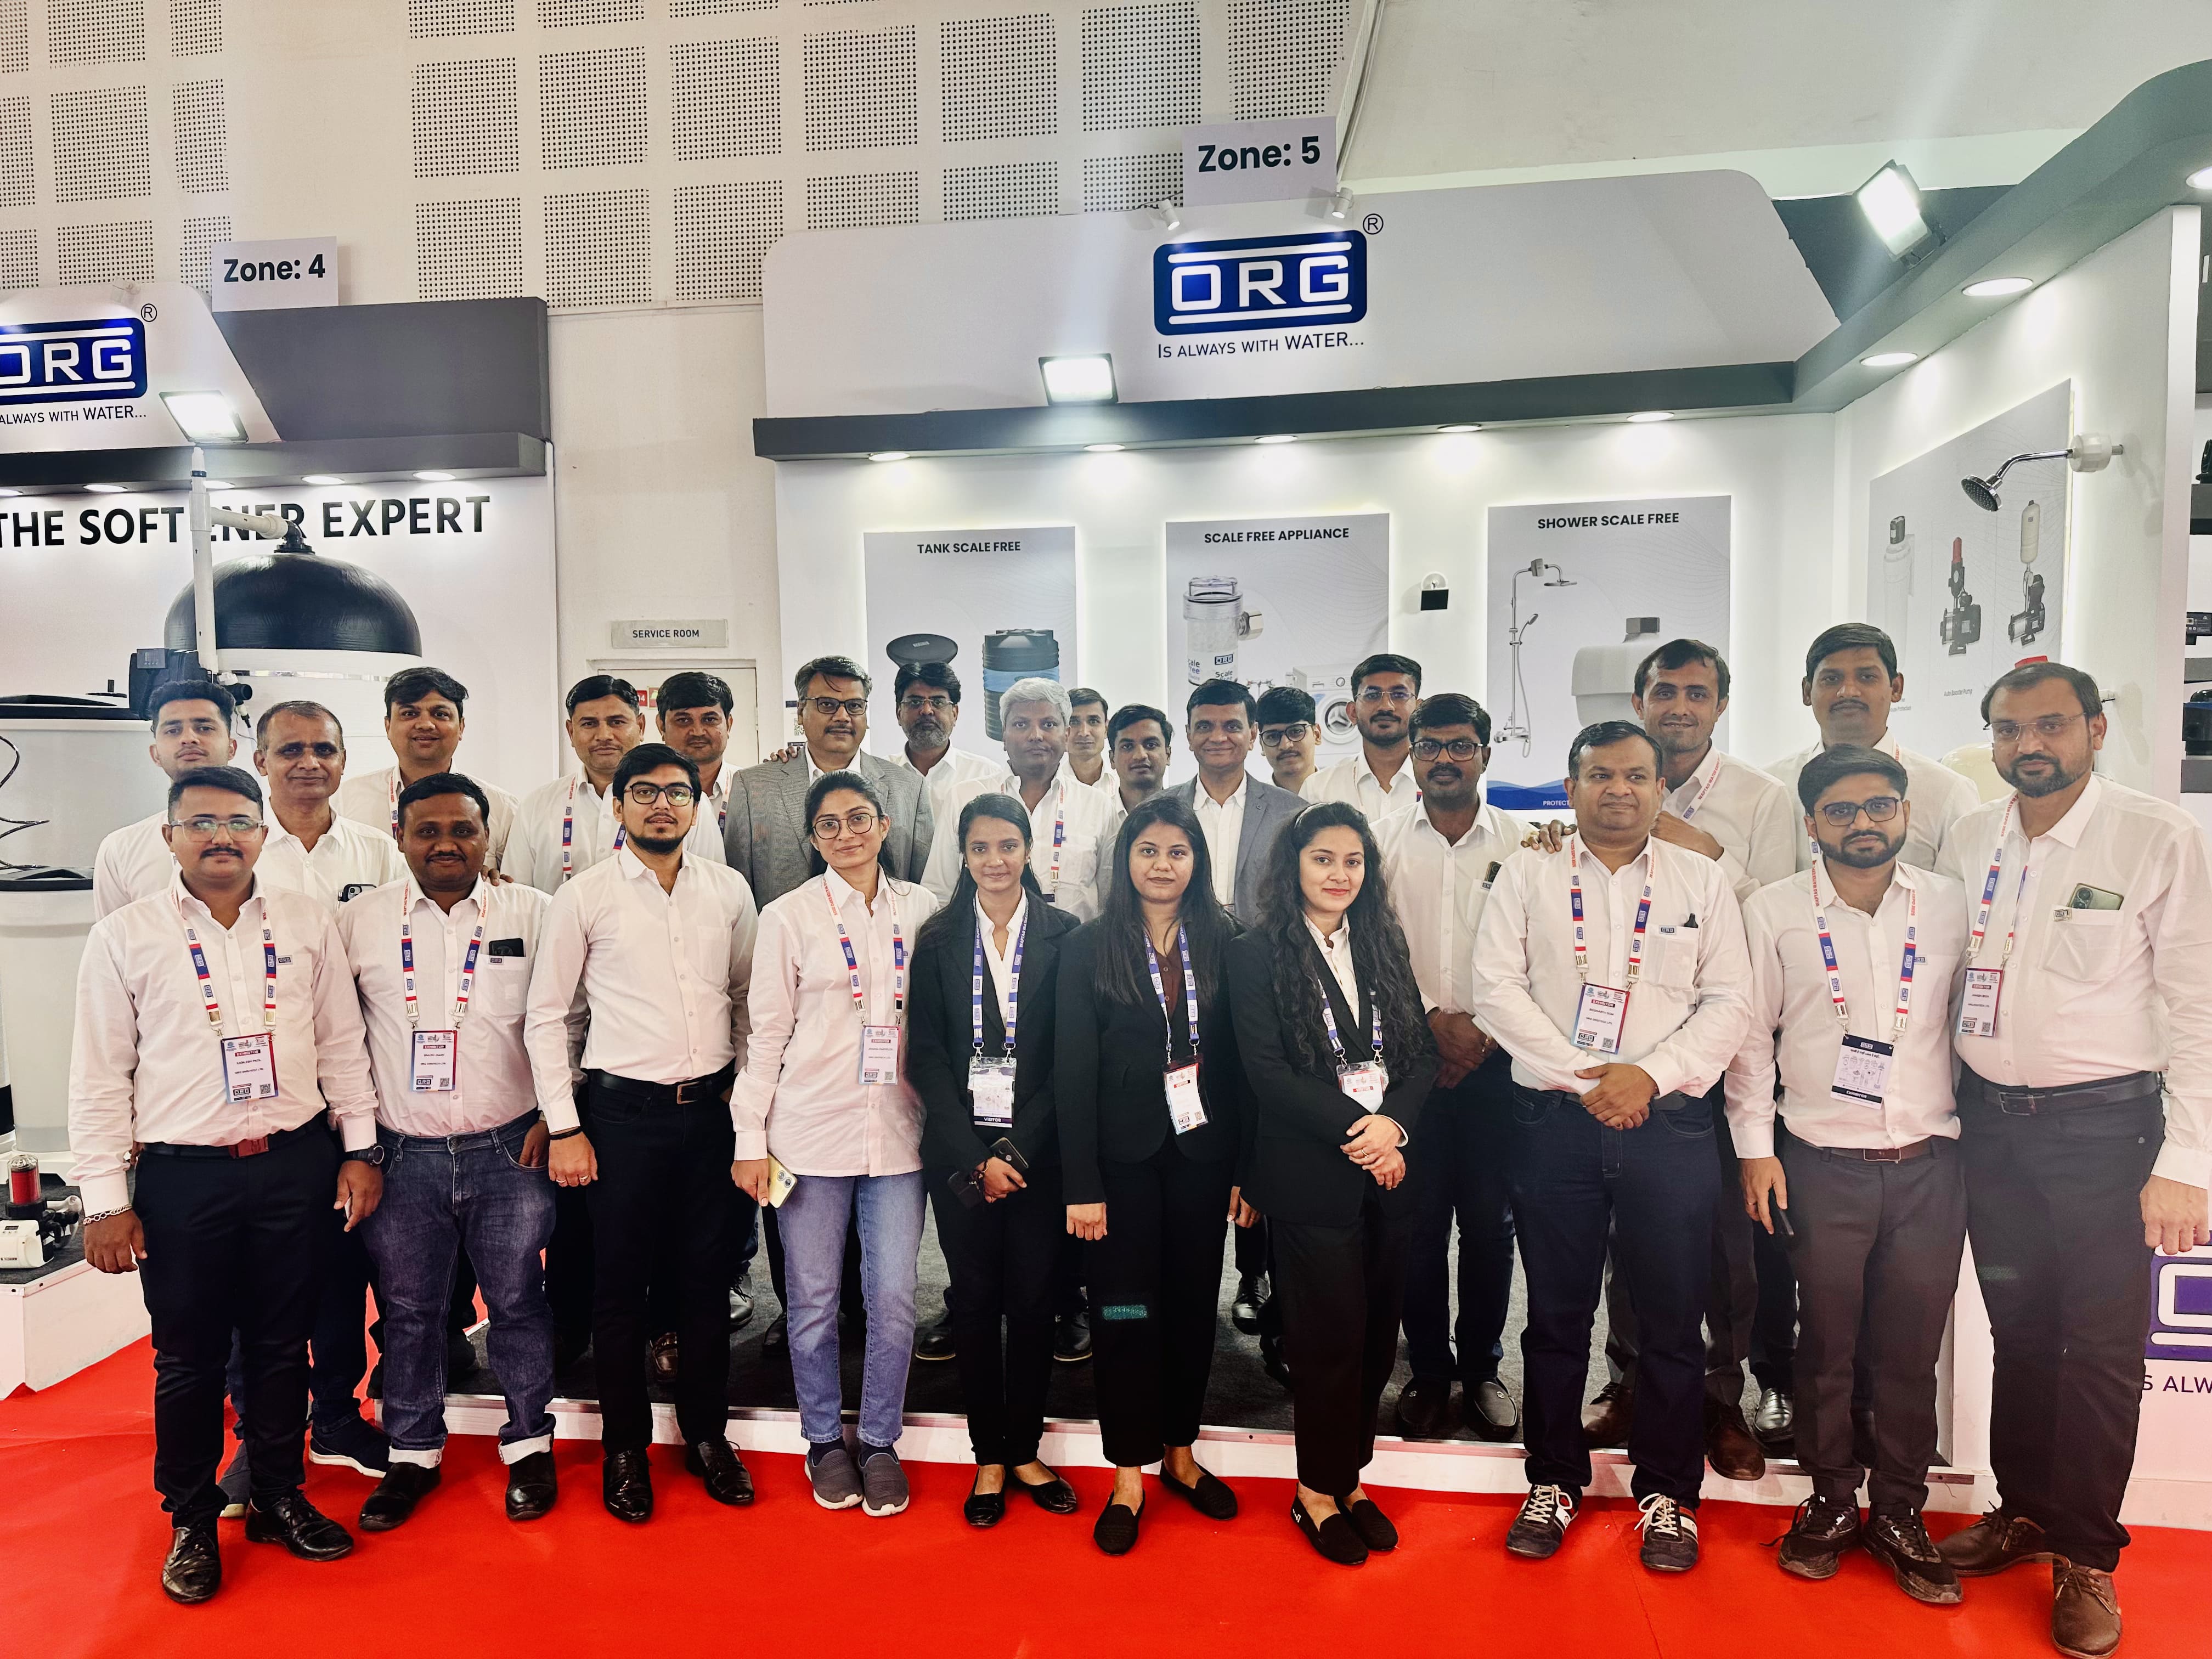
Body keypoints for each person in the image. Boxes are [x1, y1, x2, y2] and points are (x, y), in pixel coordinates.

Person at [1932, 662, 2212, 1659]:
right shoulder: (1973, 836)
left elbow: (2198, 1004)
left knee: (2099, 1350)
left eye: (2050, 725)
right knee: (2019, 1332)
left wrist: (2188, 1158)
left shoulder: (2154, 835)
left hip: (2105, 1132)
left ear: (2095, 729)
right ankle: (2025, 1510)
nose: (2029, 745)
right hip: (1991, 1129)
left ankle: (2087, 1556)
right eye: (2009, 729)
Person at [71, 765, 383, 1604]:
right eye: (201, 823)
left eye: (239, 823)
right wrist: (105, 1200)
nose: (222, 838)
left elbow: (342, 1044)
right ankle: (192, 1518)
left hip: (294, 1164)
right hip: (184, 1177)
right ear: (169, 836)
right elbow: (99, 1075)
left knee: (284, 1346)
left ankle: (280, 1494)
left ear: (262, 835)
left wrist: (361, 1150)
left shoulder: (305, 922)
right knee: (189, 1360)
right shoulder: (127, 936)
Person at [1470, 720, 1751, 1574]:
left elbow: (1730, 1001)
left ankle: (1667, 1493)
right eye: (1600, 775)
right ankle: (1553, 1479)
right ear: (1571, 788)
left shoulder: (1702, 880)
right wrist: (1588, 1079)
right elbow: (1495, 990)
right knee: (1556, 1318)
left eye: (1635, 776)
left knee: (1672, 1320)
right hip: (1555, 1122)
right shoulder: (1527, 873)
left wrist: (1649, 1078)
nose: (1618, 790)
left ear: (1662, 789)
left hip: (1669, 1124)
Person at [1727, 746, 1970, 1604]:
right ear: (1812, 824)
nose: (1862, 823)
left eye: (1879, 807)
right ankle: (1831, 1500)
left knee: (1909, 1351)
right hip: (1819, 1161)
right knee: (1826, 1346)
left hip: (1930, 1163)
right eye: (1840, 810)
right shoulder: (1772, 910)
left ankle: (1900, 1511)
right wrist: (1755, 1149)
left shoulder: (1951, 904)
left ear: (1905, 813)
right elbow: (1751, 1039)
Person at [525, 743, 760, 1523]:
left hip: (711, 1117)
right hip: (621, 1118)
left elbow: (747, 1002)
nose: (664, 804)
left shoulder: (728, 890)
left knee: (705, 1284)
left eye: (678, 792)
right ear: (619, 805)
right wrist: (566, 1126)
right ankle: (624, 1447)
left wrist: (748, 1107)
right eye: (646, 792)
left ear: (699, 805)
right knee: (619, 1290)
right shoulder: (584, 896)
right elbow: (548, 1018)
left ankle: (707, 1435)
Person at [1591, 636, 1796, 1478]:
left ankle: (1719, 1401)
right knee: (1626, 1238)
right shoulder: (1609, 786)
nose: (1680, 705)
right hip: (1623, 1063)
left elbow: (1777, 914)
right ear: (1640, 702)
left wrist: (1703, 851)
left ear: (1720, 704)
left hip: (1715, 1054)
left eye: (1697, 692)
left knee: (1721, 1250)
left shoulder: (1760, 798)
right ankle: (1630, 1384)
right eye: (1664, 691)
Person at [341, 773, 558, 1531]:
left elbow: (568, 1021)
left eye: (463, 829)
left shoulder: (535, 913)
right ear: (399, 837)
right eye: (427, 830)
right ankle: (412, 1453)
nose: (445, 844)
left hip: (512, 1150)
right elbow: (341, 1041)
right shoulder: (359, 922)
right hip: (402, 1155)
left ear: (486, 837)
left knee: (518, 1303)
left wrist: (557, 1117)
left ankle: (530, 1444)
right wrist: (359, 1145)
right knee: (409, 1311)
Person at [1227, 802, 1437, 1565]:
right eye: (1323, 859)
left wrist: (1394, 1127)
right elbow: (1268, 1075)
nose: (1339, 874)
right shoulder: (1255, 954)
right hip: (1312, 1174)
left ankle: (1350, 1478)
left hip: (1390, 1171)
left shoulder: (1381, 938)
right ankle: (1315, 1490)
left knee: (1378, 1338)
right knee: (1327, 1340)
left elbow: (1419, 1055)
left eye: (1353, 861)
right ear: (1294, 866)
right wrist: (1364, 1131)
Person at [732, 770, 940, 1519]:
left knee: (893, 1300)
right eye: (829, 824)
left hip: (899, 1137)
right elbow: (765, 1036)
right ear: (813, 839)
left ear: (884, 825)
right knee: (814, 1301)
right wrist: (749, 1137)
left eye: (859, 819)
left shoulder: (925, 908)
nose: (846, 833)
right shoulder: (787, 916)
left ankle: (879, 1442)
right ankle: (822, 1440)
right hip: (809, 1135)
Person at [1057, 795, 1250, 1556]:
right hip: (1120, 1168)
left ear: (1197, 861)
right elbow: (1073, 1071)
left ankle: (1180, 1452)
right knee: (1125, 1312)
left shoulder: (1228, 940)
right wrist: (1080, 1183)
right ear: (1125, 860)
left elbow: (1243, 1068)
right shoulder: (1089, 946)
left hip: (1203, 1159)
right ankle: (1129, 1471)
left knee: (1193, 1306)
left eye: (1177, 851)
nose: (1163, 865)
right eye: (1148, 851)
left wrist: (1245, 1169)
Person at [906, 794, 1084, 1526]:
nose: (995, 860)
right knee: (976, 1302)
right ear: (964, 854)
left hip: (1040, 1153)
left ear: (1029, 850)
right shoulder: (939, 937)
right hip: (960, 1156)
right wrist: (977, 1159)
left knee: (1036, 1304)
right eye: (980, 848)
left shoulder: (1067, 935)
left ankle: (1027, 1448)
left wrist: (1016, 1151)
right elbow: (926, 1055)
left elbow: (1072, 1058)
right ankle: (988, 1454)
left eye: (1008, 845)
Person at [1374, 692, 1526, 1443]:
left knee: (1492, 1229)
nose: (1443, 758)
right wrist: (1432, 1022)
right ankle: (1430, 1372)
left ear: (1485, 755)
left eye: (1460, 745)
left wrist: (1485, 1033)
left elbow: (1539, 950)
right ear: (1413, 755)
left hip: (1500, 1064)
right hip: (1412, 1063)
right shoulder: (1380, 843)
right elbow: (1372, 949)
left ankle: (1483, 1369)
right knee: (1419, 1226)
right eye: (1430, 745)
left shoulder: (1529, 844)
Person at [1764, 624, 1979, 873]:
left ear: (1896, 688)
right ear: (1807, 692)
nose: (1848, 691)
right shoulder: (1772, 788)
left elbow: (1962, 891)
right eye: (1831, 679)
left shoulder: (1948, 793)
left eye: (1867, 677)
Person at [725, 654, 934, 910]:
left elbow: (922, 887)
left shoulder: (909, 788)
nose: (843, 716)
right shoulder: (753, 787)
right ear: (801, 712)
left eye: (855, 706)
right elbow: (738, 895)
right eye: (827, 704)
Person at [921, 678, 1113, 921]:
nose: (1036, 735)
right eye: (1021, 724)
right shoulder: (964, 797)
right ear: (1004, 735)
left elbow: (1110, 899)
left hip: (1075, 943)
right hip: (983, 942)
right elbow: (939, 893)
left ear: (1066, 735)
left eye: (1049, 724)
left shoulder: (1098, 805)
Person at [509, 676, 723, 891]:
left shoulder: (685, 803)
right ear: (571, 732)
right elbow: (517, 897)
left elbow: (712, 887)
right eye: (589, 724)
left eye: (617, 722)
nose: (604, 736)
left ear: (640, 727)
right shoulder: (536, 807)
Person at [332, 666, 518, 864]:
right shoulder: (346, 799)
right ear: (388, 726)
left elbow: (513, 880)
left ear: (461, 727)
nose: (425, 724)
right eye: (409, 713)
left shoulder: (502, 808)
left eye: (440, 714)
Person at [93, 679, 239, 918]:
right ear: (156, 754)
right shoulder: (121, 849)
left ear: (232, 748)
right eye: (173, 730)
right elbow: (114, 938)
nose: (189, 739)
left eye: (204, 728)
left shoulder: (269, 841)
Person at [1164, 679, 1304, 919]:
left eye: (1232, 726)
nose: (1218, 737)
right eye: (1205, 727)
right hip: (1178, 940)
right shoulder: (1159, 810)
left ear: (1252, 735)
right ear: (1189, 735)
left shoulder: (1292, 812)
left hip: (1267, 941)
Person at [250, 701, 406, 907]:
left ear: (342, 761)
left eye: (324, 750)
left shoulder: (381, 851)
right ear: (261, 762)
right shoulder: (235, 850)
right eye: (292, 750)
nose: (310, 764)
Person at [885, 659, 1000, 834]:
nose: (926, 711)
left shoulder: (986, 775)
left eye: (938, 702)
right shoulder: (879, 776)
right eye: (915, 702)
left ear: (955, 714)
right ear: (899, 713)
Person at [1302, 653, 1422, 816]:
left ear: (1418, 710)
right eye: (1372, 695)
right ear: (1353, 712)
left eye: (1399, 695)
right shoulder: (1319, 789)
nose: (1386, 706)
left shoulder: (1441, 781)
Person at [656, 669, 741, 834]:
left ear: (729, 724)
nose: (698, 732)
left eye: (709, 720)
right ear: (661, 726)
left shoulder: (753, 789)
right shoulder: (643, 793)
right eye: (683, 720)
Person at [1101, 701, 1172, 833]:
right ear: (1112, 759)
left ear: (1168, 755)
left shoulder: (1188, 817)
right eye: (1127, 747)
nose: (1140, 756)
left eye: (1151, 745)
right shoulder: (1097, 818)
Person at [1256, 685, 1322, 797]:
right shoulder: (1251, 804)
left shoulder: (1343, 793)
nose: (1285, 745)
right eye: (1273, 736)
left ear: (1317, 735)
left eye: (1296, 732)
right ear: (1262, 745)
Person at [1066, 686, 1114, 794]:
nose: (1084, 733)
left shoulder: (1123, 785)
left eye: (1093, 721)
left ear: (1107, 729)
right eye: (1074, 722)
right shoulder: (1048, 787)